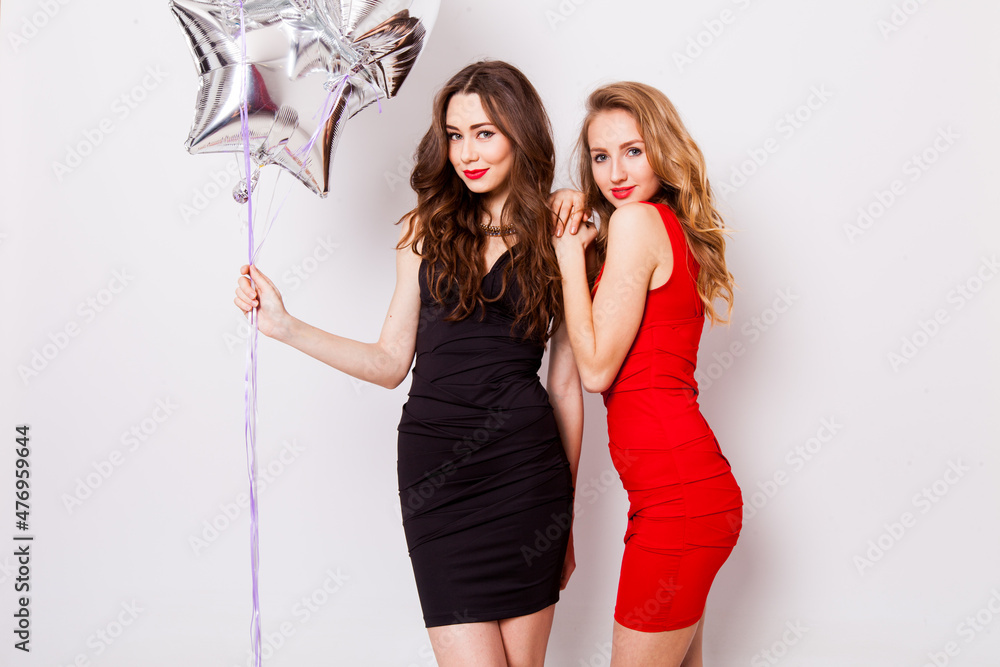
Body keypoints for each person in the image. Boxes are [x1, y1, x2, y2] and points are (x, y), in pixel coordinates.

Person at [234, 60, 583, 667]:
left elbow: (567, 385)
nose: (466, 153)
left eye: (485, 133)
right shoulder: (424, 230)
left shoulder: (561, 233)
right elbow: (390, 361)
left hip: (526, 473)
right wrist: (285, 327)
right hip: (435, 473)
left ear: (520, 135)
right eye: (454, 135)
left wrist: (566, 518)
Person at [551, 82, 743, 666]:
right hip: (677, 495)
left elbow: (595, 369)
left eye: (632, 151)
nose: (615, 172)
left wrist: (568, 256)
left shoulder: (637, 223)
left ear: (662, 149)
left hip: (677, 500)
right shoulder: (659, 227)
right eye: (600, 156)